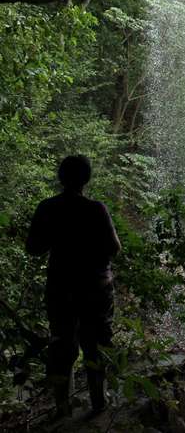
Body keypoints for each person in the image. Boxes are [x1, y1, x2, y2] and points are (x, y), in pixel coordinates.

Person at [26, 155, 121, 417]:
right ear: (87, 179)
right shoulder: (96, 209)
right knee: (97, 343)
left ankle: (62, 406)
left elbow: (33, 248)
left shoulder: (47, 208)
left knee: (61, 343)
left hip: (61, 287)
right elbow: (114, 248)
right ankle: (99, 403)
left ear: (60, 177)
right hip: (95, 288)